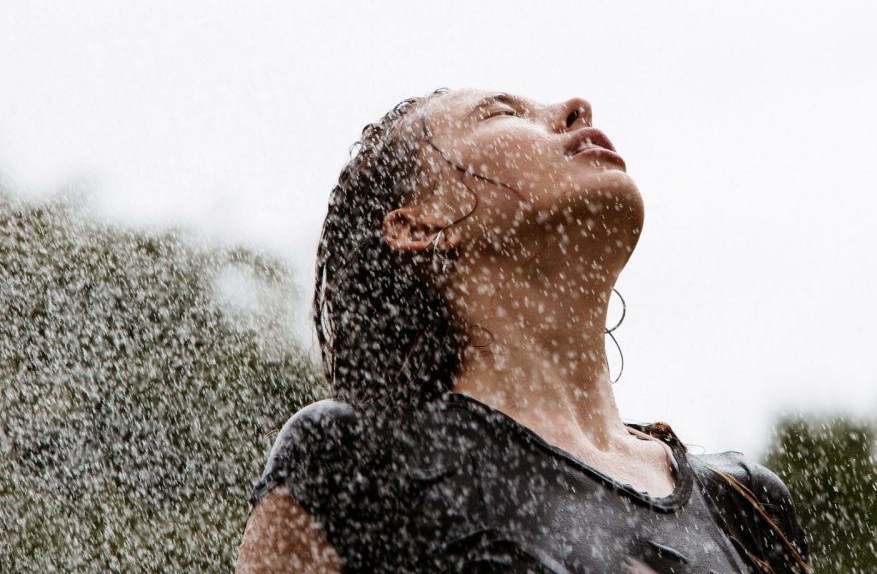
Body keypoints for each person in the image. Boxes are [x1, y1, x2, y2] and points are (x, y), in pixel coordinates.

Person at [235, 88, 811, 574]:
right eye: (502, 114)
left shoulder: (745, 501)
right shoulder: (353, 457)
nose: (575, 108)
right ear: (418, 225)